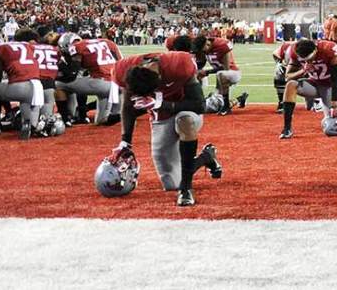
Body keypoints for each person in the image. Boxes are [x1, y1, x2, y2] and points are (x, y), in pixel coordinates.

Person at [110, 52, 223, 206]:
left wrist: (162, 105)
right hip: (160, 118)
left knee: (185, 120)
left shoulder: (180, 64)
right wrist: (125, 142)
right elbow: (128, 106)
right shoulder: (123, 69)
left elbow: (199, 105)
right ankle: (206, 157)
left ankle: (186, 189)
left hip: (186, 111)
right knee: (171, 183)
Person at [278, 38, 337, 139]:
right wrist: (302, 71)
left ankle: (321, 105)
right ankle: (287, 128)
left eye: (310, 58)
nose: (308, 61)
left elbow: (336, 78)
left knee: (333, 125)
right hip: (312, 83)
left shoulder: (328, 49)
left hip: (329, 86)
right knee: (290, 84)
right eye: (305, 60)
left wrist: (334, 103)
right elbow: (288, 76)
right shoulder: (295, 52)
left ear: (316, 50)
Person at [168, 35, 246, 116]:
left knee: (220, 77)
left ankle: (226, 106)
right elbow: (200, 64)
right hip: (219, 79)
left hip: (232, 73)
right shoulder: (202, 49)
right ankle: (239, 99)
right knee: (215, 102)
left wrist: (206, 72)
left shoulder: (221, 45)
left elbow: (226, 68)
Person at [57, 32, 122, 125]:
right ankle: (122, 115)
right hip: (118, 83)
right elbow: (121, 62)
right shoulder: (107, 42)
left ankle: (66, 117)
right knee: (100, 121)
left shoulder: (76, 47)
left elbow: (72, 73)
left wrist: (59, 73)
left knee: (59, 84)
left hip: (102, 83)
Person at [0, 37, 43, 138]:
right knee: (27, 102)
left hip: (18, 86)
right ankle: (30, 124)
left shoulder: (0, 48)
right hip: (36, 85)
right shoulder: (29, 46)